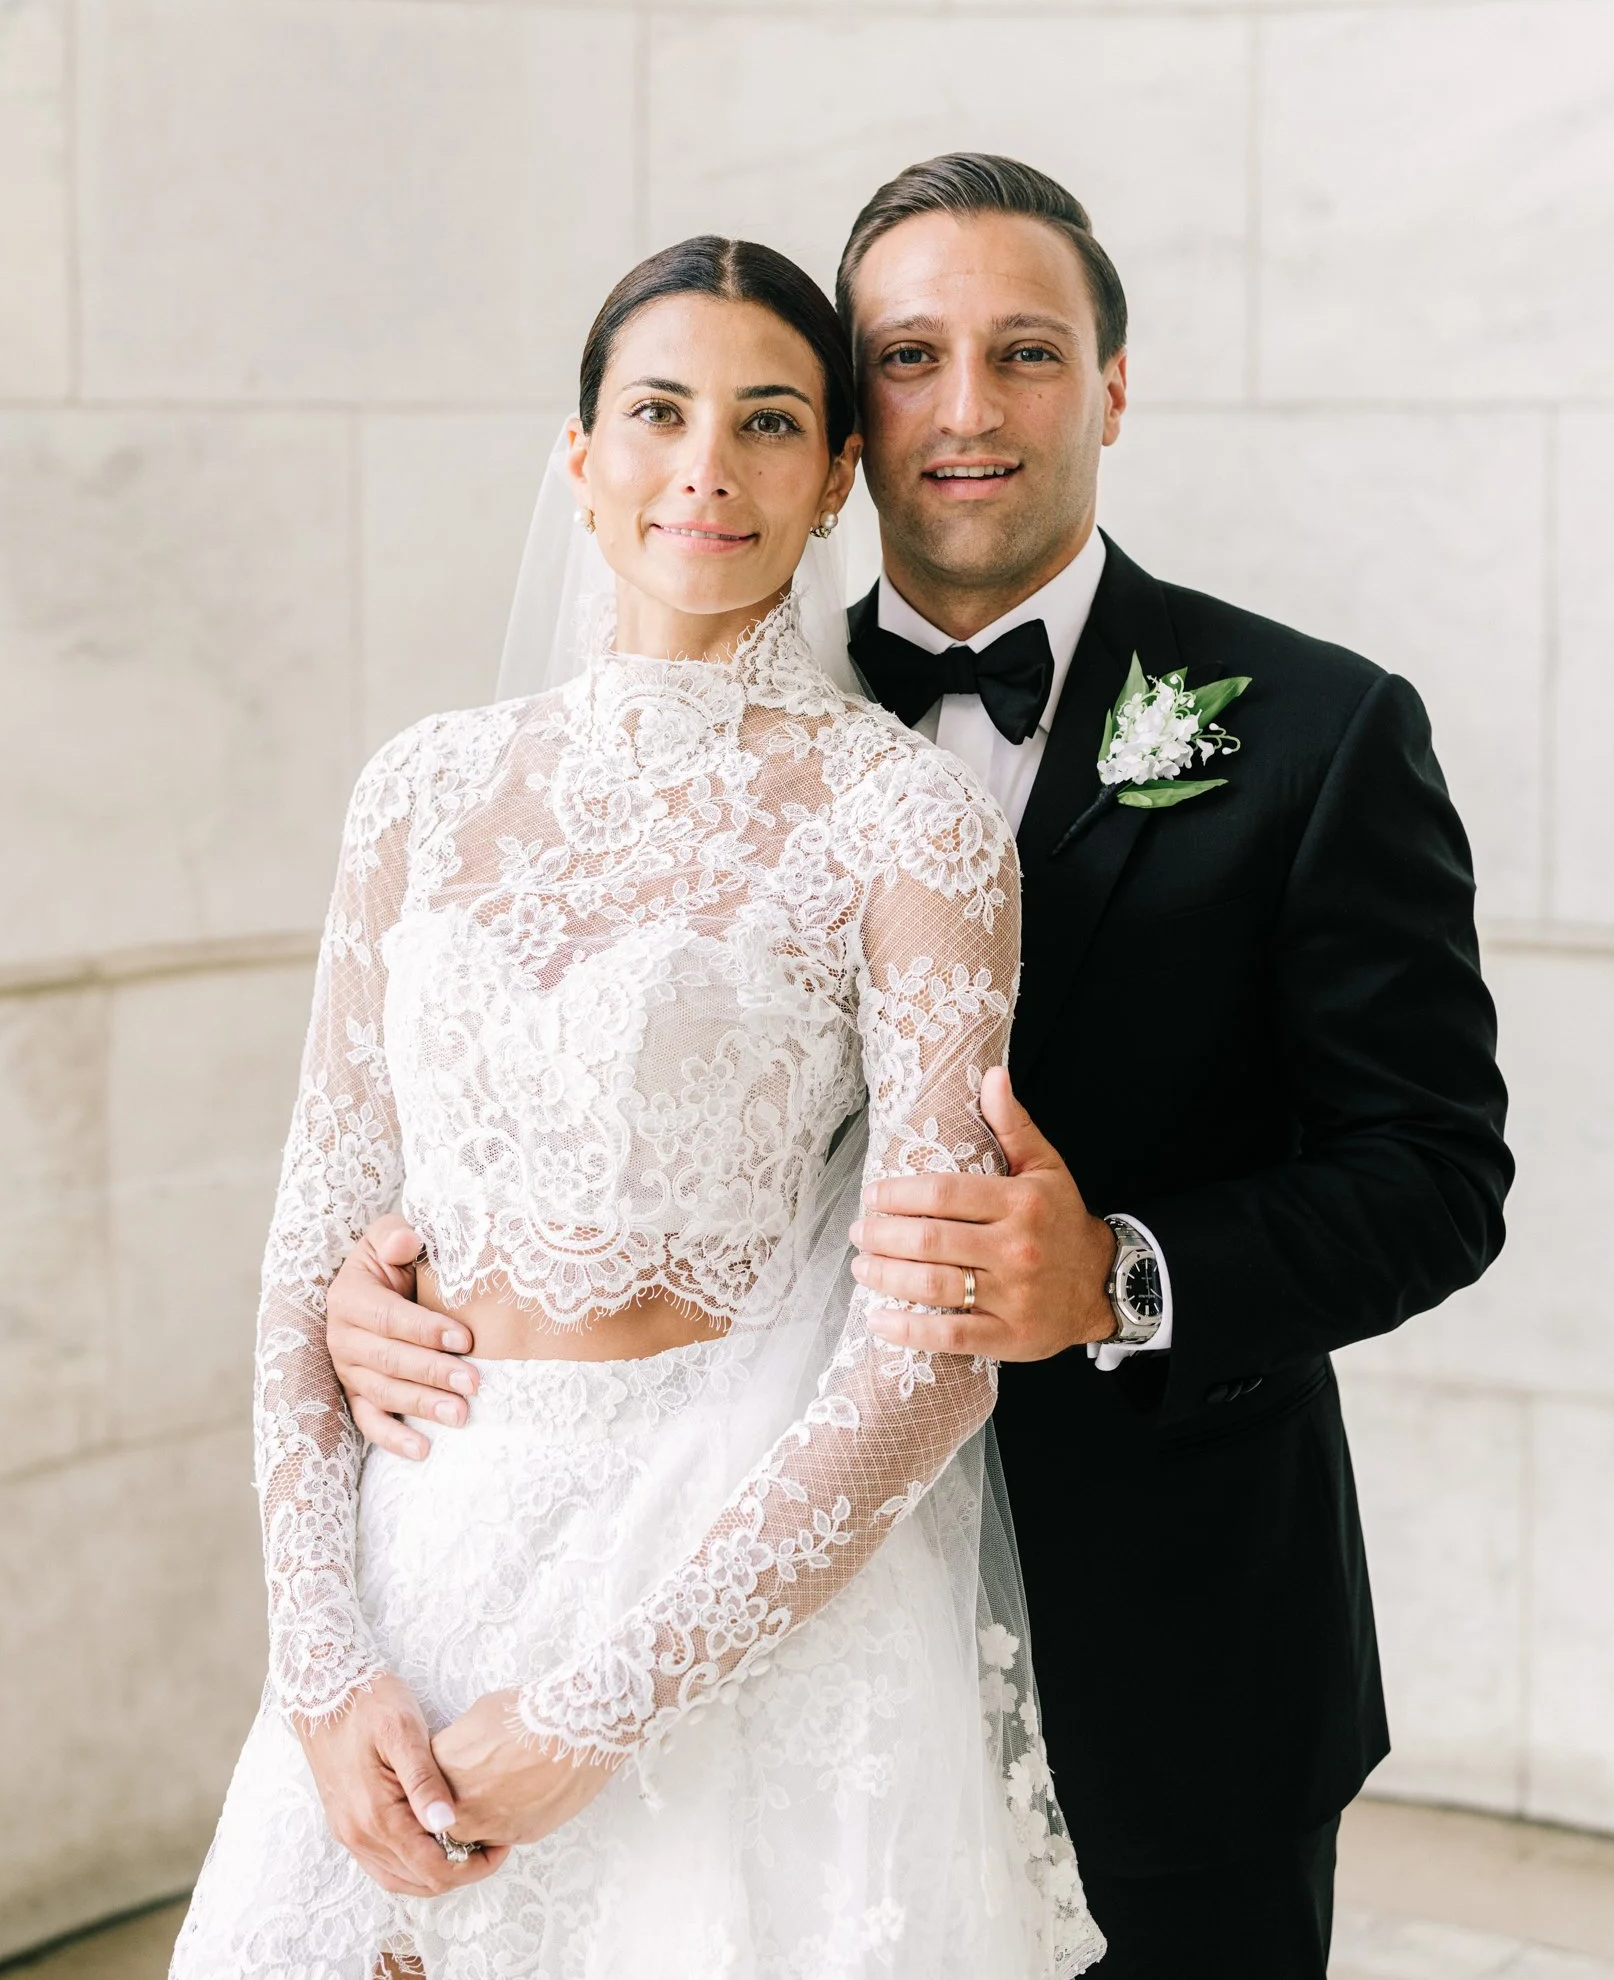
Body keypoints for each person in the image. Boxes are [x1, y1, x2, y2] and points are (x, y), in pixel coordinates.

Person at [330, 156, 1513, 1979]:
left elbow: (1435, 1171)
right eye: (910, 358)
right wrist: (382, 1284)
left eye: (1027, 352)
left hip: (1169, 1637)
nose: (968, 409)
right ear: (846, 430)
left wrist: (1122, 1273)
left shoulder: (1322, 731)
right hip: (766, 1643)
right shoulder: (702, 736)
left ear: (1112, 385)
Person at [171, 233, 1100, 1980]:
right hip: (421, 1559)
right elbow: (310, 1247)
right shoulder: (419, 793)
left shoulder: (906, 824)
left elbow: (932, 1349)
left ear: (835, 480)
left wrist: (609, 1706)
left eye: (766, 422)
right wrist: (321, 1665)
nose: (704, 467)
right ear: (577, 454)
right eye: (656, 411)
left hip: (715, 1582)